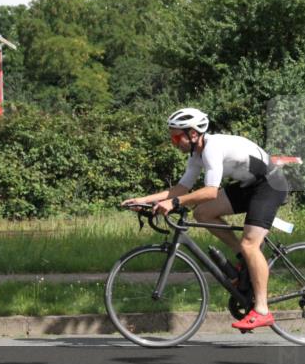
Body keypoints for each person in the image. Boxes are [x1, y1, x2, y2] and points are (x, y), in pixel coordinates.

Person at [121, 108, 289, 331]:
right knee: (202, 213)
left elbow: (210, 192)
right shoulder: (196, 155)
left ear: (193, 134)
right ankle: (244, 261)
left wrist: (175, 203)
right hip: (249, 186)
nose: (173, 143)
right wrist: (143, 200)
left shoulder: (212, 148)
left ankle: (262, 310)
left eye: (176, 137)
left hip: (270, 186)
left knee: (250, 244)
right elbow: (181, 188)